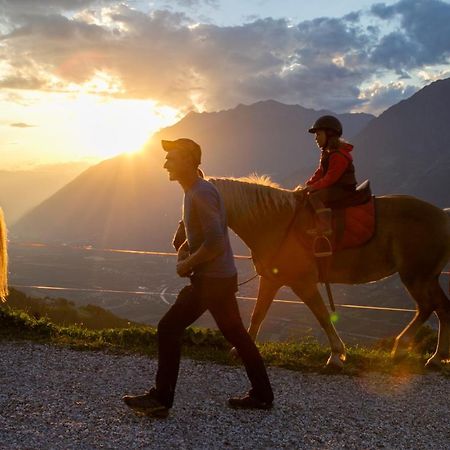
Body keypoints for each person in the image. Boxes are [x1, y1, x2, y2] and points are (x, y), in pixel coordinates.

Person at [122, 138, 274, 418]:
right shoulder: (196, 189)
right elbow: (203, 235)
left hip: (211, 281)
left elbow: (215, 243)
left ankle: (161, 399)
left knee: (168, 328)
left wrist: (186, 264)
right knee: (237, 335)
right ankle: (263, 394)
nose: (165, 162)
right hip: (221, 278)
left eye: (173, 157)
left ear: (190, 161)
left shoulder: (200, 194)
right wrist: (185, 249)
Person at [304, 115, 357, 237]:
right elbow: (320, 172)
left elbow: (330, 178)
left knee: (314, 197)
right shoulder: (328, 153)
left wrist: (313, 188)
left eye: (318, 135)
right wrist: (307, 185)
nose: (316, 139)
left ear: (329, 135)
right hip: (335, 188)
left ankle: (324, 227)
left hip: (343, 190)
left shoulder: (338, 155)